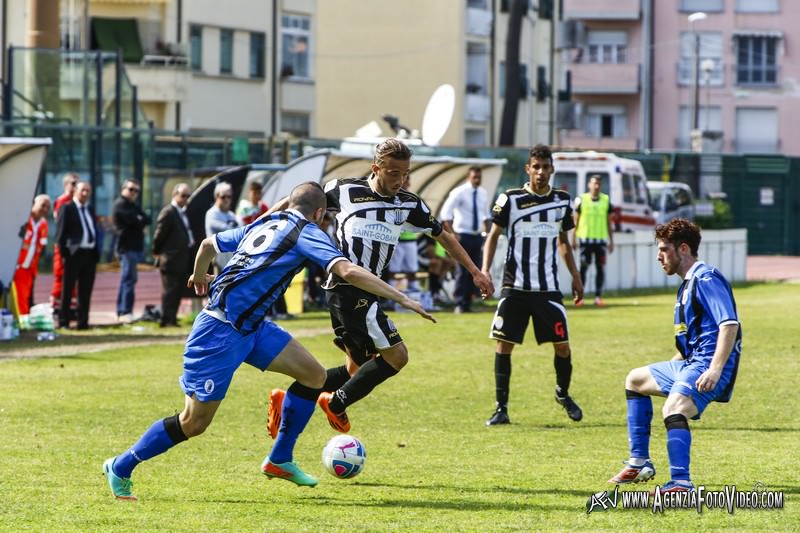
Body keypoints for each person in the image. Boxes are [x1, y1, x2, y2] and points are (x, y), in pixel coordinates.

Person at [102, 182, 434, 500]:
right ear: (319, 214)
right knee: (194, 422)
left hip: (254, 327)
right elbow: (346, 270)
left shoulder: (268, 221)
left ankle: (280, 459)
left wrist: (201, 275)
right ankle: (121, 465)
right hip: (218, 333)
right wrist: (402, 298)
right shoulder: (307, 232)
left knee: (314, 376)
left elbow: (207, 245)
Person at [266, 138, 494, 437]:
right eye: (394, 173)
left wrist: (476, 271)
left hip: (370, 291)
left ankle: (289, 399)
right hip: (347, 288)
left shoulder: (408, 204)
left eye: (405, 174)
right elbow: (300, 203)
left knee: (355, 371)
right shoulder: (344, 190)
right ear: (376, 168)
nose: (400, 180)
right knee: (396, 356)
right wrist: (265, 222)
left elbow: (444, 236)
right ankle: (334, 404)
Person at [607, 218, 741, 493]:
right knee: (636, 380)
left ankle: (681, 482)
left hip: (708, 365)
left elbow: (729, 325)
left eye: (664, 249)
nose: (659, 256)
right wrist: (672, 367)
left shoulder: (705, 278)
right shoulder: (688, 284)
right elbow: (690, 341)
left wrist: (715, 370)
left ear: (683, 249)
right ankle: (640, 462)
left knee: (674, 408)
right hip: (690, 362)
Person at [482, 144, 584, 426]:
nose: (540, 172)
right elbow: (493, 236)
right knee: (504, 345)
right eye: (535, 167)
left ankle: (562, 394)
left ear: (552, 169)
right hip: (515, 286)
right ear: (528, 169)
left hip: (547, 289)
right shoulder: (510, 199)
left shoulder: (562, 201)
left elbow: (564, 243)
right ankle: (501, 408)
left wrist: (575, 276)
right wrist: (484, 271)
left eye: (545, 167)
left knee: (562, 346)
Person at [440, 166, 491, 313]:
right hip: (462, 235)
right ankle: (459, 303)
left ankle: (468, 303)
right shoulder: (459, 192)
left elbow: (486, 215)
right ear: (469, 177)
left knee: (475, 271)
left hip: (476, 236)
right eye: (475, 177)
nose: (477, 179)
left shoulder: (482, 193)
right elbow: (445, 214)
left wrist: (487, 233)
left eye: (479, 177)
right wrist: (453, 234)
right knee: (462, 271)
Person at [55, 181, 99, 330]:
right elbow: (60, 235)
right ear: (75, 191)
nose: (85, 194)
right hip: (73, 254)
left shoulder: (90, 209)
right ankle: (64, 321)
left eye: (88, 191)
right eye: (82, 191)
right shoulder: (67, 208)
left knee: (85, 290)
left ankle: (83, 322)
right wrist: (64, 254)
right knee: (67, 289)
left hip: (89, 254)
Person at [152, 183, 195, 328]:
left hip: (180, 259)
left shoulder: (182, 212)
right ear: (174, 194)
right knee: (169, 291)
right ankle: (166, 320)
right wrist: (157, 252)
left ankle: (172, 319)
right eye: (183, 195)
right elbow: (159, 235)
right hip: (170, 259)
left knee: (177, 291)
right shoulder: (168, 212)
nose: (185, 199)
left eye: (188, 196)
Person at [572, 174, 614, 307]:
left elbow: (609, 222)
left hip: (600, 241)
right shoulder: (581, 200)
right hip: (585, 241)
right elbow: (576, 220)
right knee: (583, 269)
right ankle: (579, 297)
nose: (596, 186)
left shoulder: (606, 200)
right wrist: (573, 238)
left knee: (600, 269)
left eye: (598, 184)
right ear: (589, 185)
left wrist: (611, 240)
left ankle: (598, 297)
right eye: (594, 183)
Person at [112, 179, 151, 323]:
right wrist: (139, 220)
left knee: (129, 279)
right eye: (131, 189)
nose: (134, 193)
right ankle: (124, 311)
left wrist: (139, 219)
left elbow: (147, 219)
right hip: (125, 247)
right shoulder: (120, 205)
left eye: (136, 191)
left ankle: (124, 310)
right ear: (123, 189)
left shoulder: (133, 205)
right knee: (128, 279)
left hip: (134, 247)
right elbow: (135, 220)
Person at [13, 195, 51, 316]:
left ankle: (21, 320)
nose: (44, 209)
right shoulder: (23, 219)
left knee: (24, 296)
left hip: (28, 267)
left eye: (47, 207)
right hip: (15, 265)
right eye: (42, 205)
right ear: (34, 203)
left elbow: (41, 246)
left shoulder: (43, 224)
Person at [50, 172, 79, 319]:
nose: (76, 187)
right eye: (73, 184)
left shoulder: (77, 202)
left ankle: (71, 308)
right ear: (66, 185)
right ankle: (57, 308)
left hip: (74, 246)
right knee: (60, 275)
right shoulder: (63, 201)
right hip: (64, 244)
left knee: (73, 278)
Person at [205, 182, 240, 273]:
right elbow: (228, 231)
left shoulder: (231, 215)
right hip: (218, 259)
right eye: (223, 196)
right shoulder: (211, 213)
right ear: (216, 196)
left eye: (229, 197)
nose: (226, 199)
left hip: (232, 260)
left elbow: (240, 229)